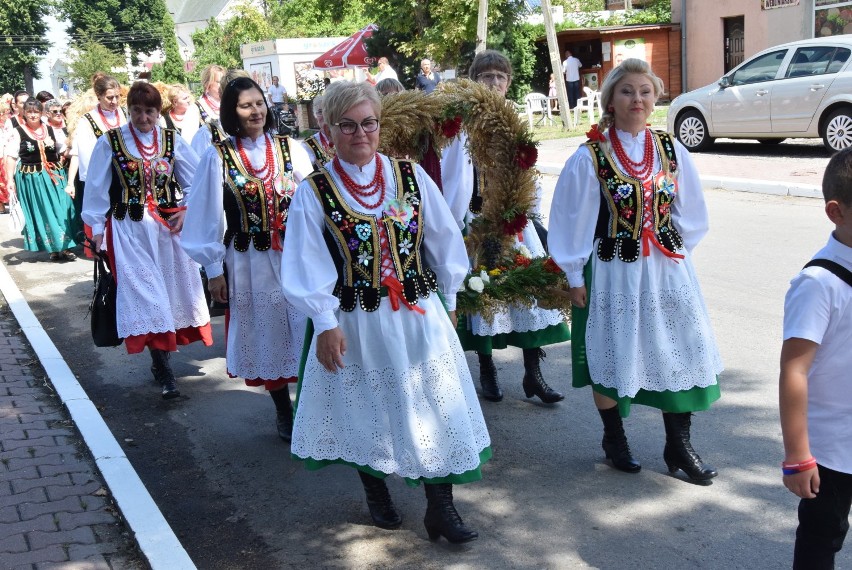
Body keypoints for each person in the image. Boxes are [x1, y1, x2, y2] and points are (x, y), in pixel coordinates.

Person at [281, 81, 490, 543]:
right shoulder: (314, 191)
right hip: (357, 319)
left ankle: (442, 508)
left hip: (418, 313)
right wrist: (326, 322)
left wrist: (450, 299)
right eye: (348, 125)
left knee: (435, 403)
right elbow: (305, 260)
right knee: (367, 407)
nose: (361, 133)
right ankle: (376, 490)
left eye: (369, 123)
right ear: (329, 130)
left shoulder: (409, 176)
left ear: (380, 124)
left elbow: (443, 240)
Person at [549, 58, 722, 480]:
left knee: (677, 349)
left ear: (656, 97)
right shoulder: (591, 157)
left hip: (666, 270)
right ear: (610, 100)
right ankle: (615, 439)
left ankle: (678, 447)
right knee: (615, 348)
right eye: (627, 91)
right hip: (613, 271)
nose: (637, 99)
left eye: (645, 91)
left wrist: (673, 252)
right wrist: (574, 275)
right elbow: (571, 220)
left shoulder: (670, 148)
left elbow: (692, 213)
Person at [182, 76, 312, 441]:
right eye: (245, 105)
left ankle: (312, 405)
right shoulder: (217, 156)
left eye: (259, 103)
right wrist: (212, 270)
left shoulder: (291, 149)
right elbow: (205, 215)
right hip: (249, 261)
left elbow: (316, 199)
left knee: (307, 325)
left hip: (294, 256)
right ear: (232, 113)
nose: (255, 111)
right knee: (266, 332)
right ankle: (283, 410)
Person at [441, 50, 570, 405]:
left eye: (500, 76)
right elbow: (454, 177)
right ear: (474, 81)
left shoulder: (514, 121)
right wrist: (454, 225)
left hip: (514, 218)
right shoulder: (465, 124)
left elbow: (529, 169)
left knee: (527, 295)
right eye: (487, 77)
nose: (494, 83)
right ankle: (487, 369)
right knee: (481, 294)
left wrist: (530, 211)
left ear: (509, 82)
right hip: (477, 220)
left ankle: (534, 374)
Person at [82, 81, 212, 399]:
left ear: (159, 112)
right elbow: (96, 189)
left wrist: (188, 211)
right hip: (129, 229)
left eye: (150, 111)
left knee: (169, 294)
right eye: (137, 111)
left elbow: (197, 179)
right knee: (148, 296)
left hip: (167, 231)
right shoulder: (110, 142)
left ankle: (161, 361)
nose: (143, 118)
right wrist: (97, 230)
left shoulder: (171, 139)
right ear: (129, 110)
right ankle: (165, 370)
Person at [779, 147, 852, 570]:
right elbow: (795, 369)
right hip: (830, 450)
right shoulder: (818, 283)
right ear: (836, 212)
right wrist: (797, 455)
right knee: (822, 538)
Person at [4, 99, 77, 261]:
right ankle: (53, 248)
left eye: (36, 112)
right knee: (44, 212)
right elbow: (11, 157)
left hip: (55, 177)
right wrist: (10, 180)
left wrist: (82, 150)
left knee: (62, 209)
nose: (32, 115)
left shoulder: (50, 130)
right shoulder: (18, 132)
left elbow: (63, 149)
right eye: (29, 112)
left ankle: (65, 246)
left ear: (41, 113)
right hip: (33, 179)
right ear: (24, 113)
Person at [68, 74, 128, 256]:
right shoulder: (88, 120)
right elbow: (87, 155)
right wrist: (95, 184)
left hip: (127, 179)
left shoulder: (125, 114)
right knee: (106, 224)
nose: (114, 101)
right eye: (110, 97)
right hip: (104, 180)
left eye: (117, 96)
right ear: (99, 96)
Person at [301, 95, 334, 171]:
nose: (325, 115)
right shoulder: (308, 145)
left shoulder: (347, 137)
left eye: (328, 111)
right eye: (320, 112)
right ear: (315, 116)